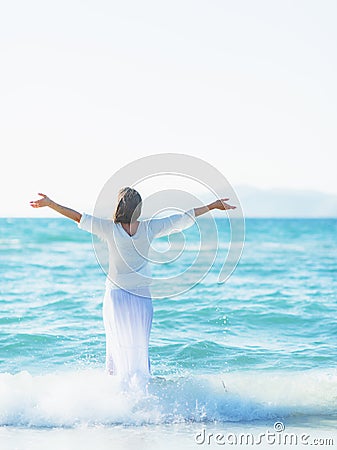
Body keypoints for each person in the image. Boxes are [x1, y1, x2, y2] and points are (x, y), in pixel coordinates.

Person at [30, 188, 236, 386]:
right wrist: (212, 206)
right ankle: (141, 393)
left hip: (116, 296)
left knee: (115, 347)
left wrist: (50, 204)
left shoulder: (109, 229)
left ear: (119, 207)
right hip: (141, 299)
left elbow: (78, 217)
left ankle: (118, 399)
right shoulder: (149, 227)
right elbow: (183, 218)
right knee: (139, 349)